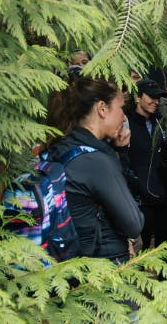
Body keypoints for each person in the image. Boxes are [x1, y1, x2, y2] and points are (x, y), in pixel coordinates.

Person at [48, 77, 143, 261]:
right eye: (121, 108)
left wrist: (119, 152)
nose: (124, 117)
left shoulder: (63, 147)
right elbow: (133, 223)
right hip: (102, 263)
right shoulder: (95, 161)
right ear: (102, 109)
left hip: (72, 261)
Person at [124, 79, 167, 247]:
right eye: (151, 97)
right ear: (138, 98)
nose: (156, 101)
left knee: (165, 249)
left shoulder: (162, 123)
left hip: (164, 197)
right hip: (140, 201)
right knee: (141, 251)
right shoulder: (126, 124)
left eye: (158, 98)